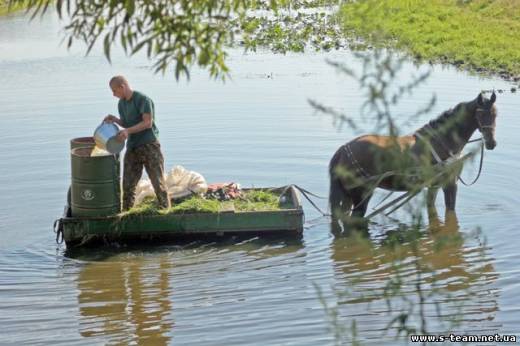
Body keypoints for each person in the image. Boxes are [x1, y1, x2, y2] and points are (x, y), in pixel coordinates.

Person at [104, 75, 171, 210]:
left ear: (122, 87)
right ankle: (126, 213)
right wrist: (115, 120)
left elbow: (147, 123)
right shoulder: (121, 104)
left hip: (149, 145)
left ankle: (165, 210)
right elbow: (127, 123)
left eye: (114, 91)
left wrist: (127, 131)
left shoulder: (143, 100)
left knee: (158, 182)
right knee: (128, 184)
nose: (113, 94)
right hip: (133, 147)